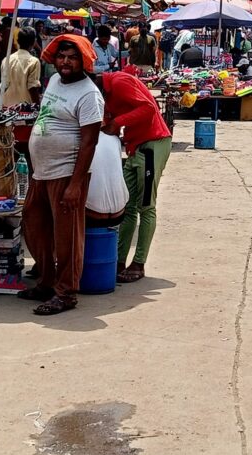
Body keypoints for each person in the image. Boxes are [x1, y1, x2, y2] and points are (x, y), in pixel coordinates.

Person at [21, 34, 105, 317]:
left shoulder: (89, 94)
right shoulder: (55, 81)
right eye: (61, 56)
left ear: (83, 61)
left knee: (66, 237)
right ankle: (46, 281)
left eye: (72, 58)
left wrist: (75, 185)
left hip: (67, 174)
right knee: (35, 225)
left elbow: (90, 142)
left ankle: (66, 293)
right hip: (41, 173)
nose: (66, 62)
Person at [96, 70, 172, 283]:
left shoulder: (119, 83)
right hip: (134, 146)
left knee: (146, 206)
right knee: (127, 207)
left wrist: (117, 122)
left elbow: (148, 108)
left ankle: (139, 263)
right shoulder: (105, 92)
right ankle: (119, 261)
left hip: (152, 143)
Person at [0, 28, 44, 106]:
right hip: (24, 108)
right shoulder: (34, 61)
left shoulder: (6, 60)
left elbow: (4, 86)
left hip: (6, 106)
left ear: (18, 41)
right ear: (34, 42)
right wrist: (38, 106)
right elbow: (32, 87)